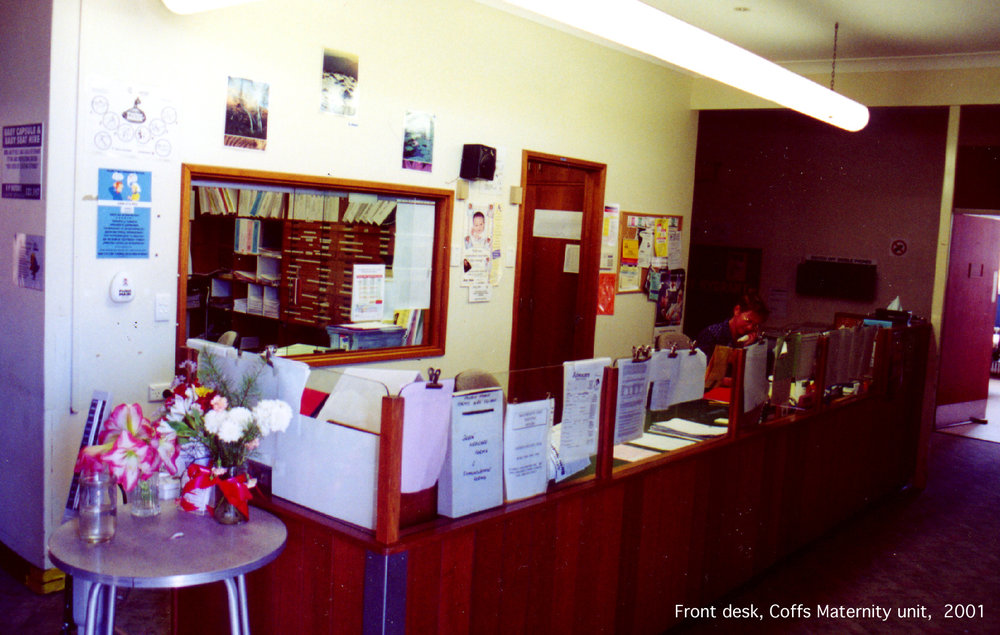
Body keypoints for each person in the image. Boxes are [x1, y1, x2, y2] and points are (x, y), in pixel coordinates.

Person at [695, 290, 769, 359]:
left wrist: (750, 348)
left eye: (755, 325)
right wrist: (738, 349)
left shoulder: (752, 339)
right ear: (737, 311)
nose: (750, 327)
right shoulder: (712, 335)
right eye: (748, 321)